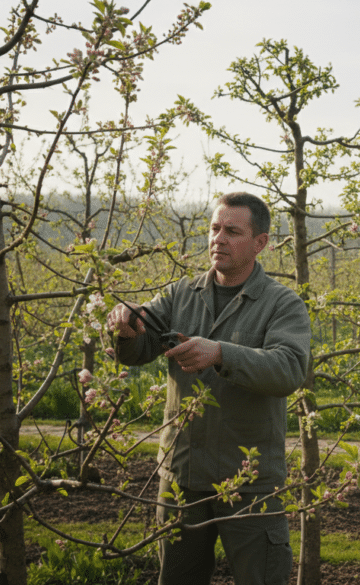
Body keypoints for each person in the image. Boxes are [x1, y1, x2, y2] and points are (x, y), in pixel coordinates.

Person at [106, 192, 310, 585]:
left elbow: (289, 370)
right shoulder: (180, 294)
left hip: (249, 483)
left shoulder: (282, 304)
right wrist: (127, 328)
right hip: (183, 477)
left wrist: (221, 353)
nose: (218, 238)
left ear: (260, 242)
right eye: (215, 228)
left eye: (232, 231)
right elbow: (137, 350)